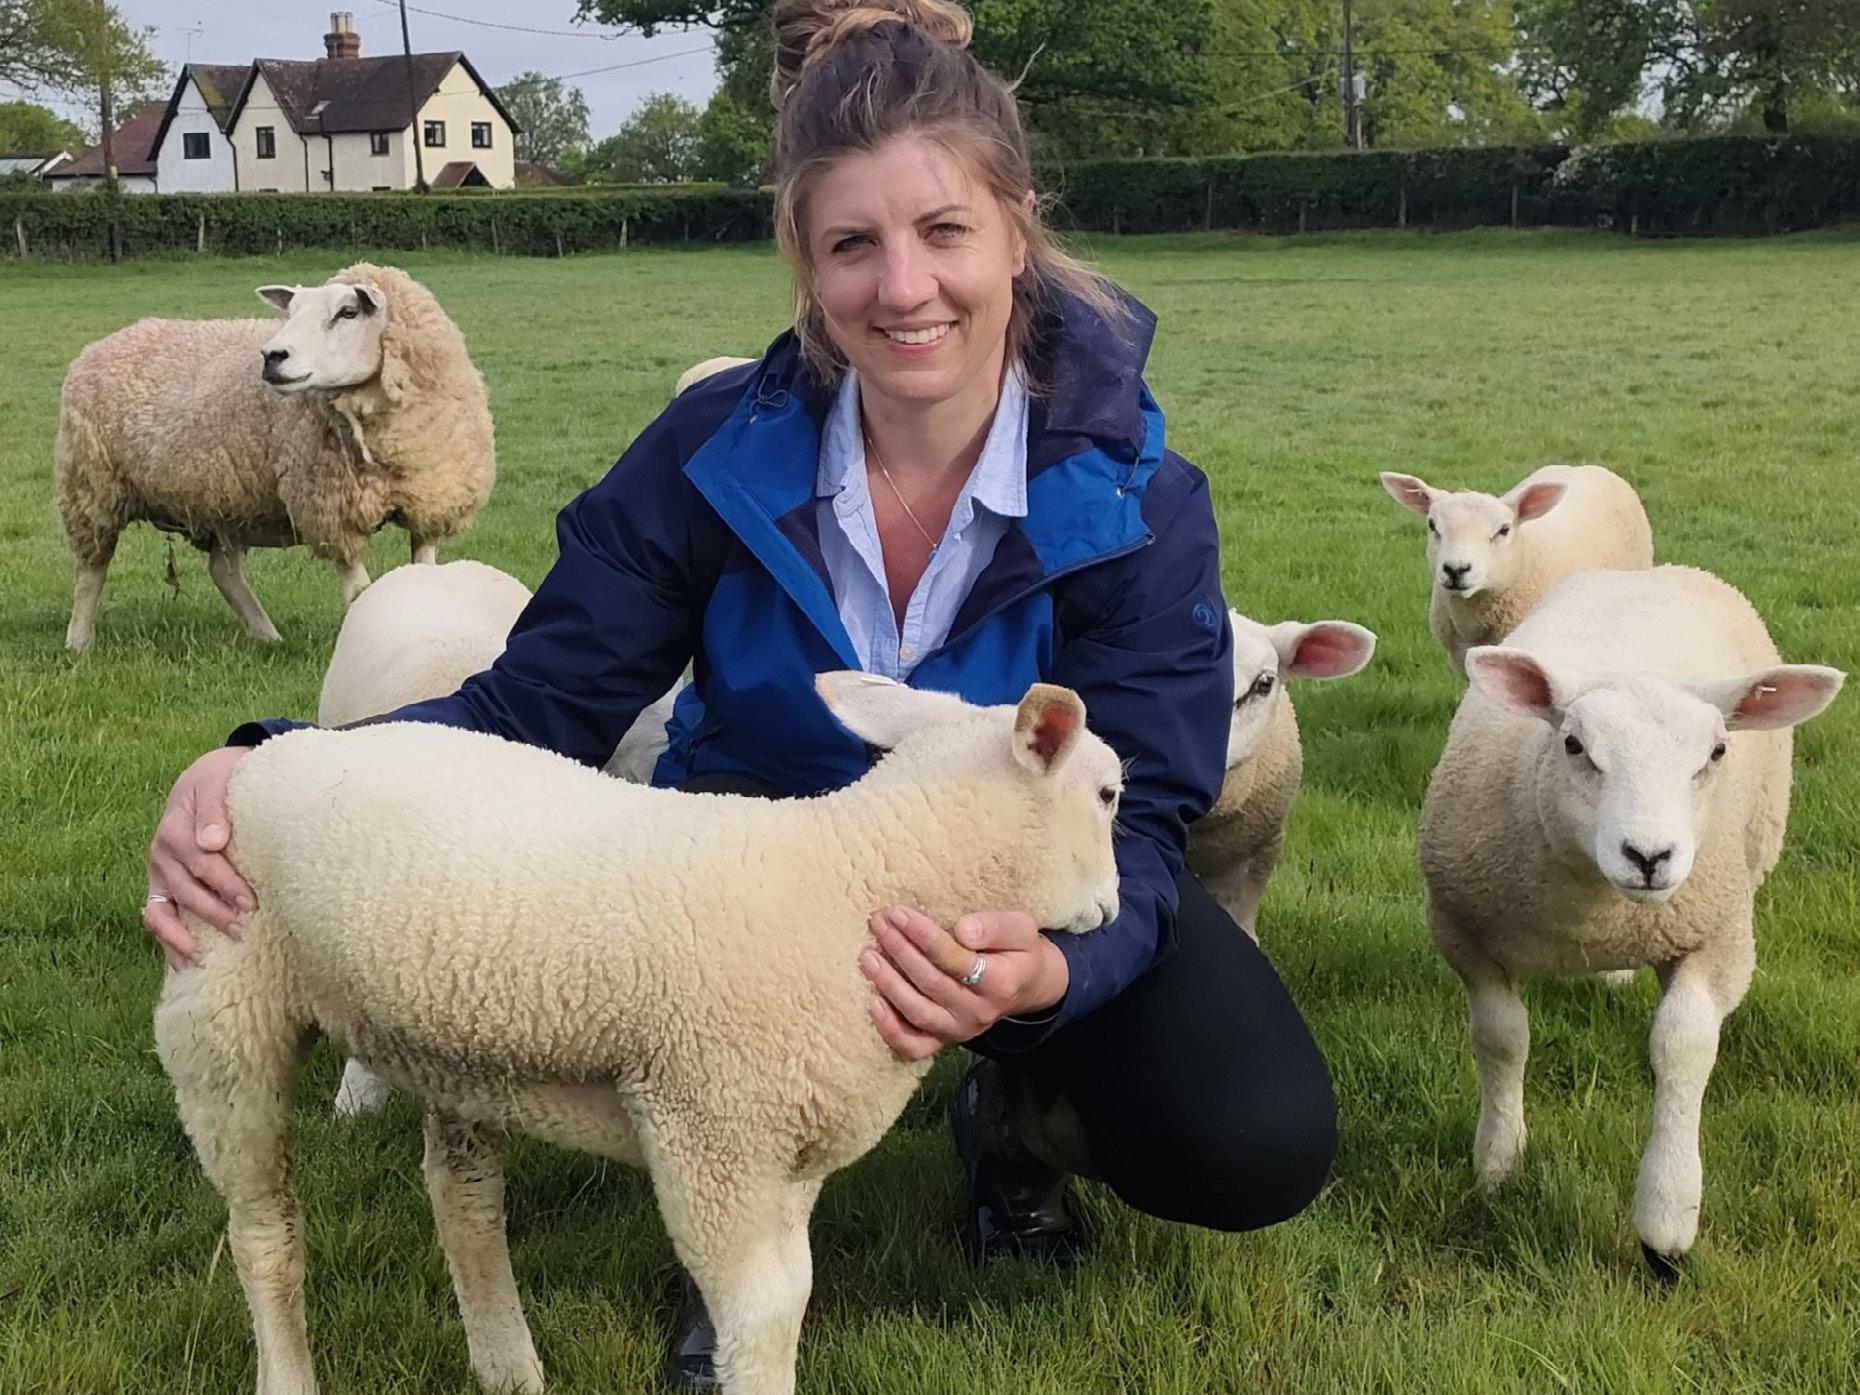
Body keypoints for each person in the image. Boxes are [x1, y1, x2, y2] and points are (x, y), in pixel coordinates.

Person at [143, 1, 1337, 1386]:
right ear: (804, 262)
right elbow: (534, 705)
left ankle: (1014, 1116)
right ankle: (734, 1217)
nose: (904, 287)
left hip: (1017, 883)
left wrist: (1050, 977)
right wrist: (269, 761)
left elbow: (1153, 806)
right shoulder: (714, 453)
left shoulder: (1136, 498)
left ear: (1016, 230)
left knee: (1249, 1134)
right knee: (715, 1069)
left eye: (945, 230)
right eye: (853, 244)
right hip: (750, 889)